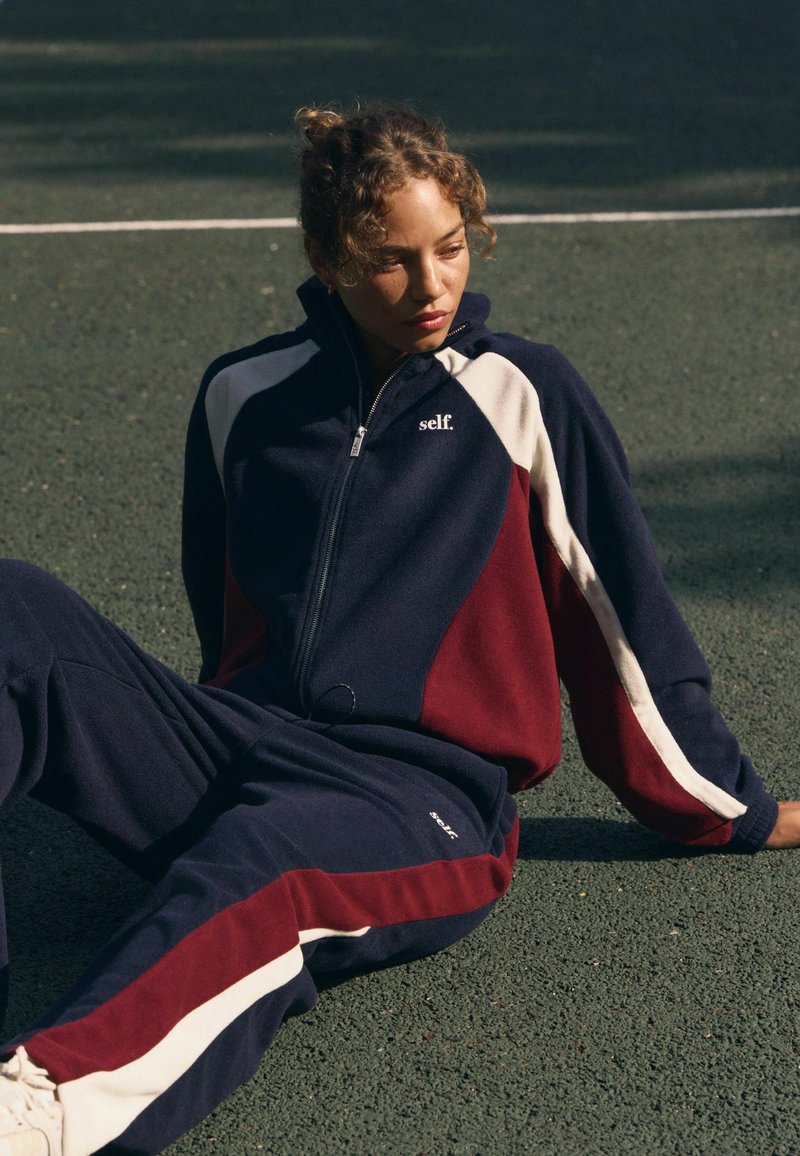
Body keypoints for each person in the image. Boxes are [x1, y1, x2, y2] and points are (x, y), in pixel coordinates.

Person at [0, 103, 798, 1156]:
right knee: (13, 605)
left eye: (450, 248)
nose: (431, 286)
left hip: (416, 799)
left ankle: (37, 1113)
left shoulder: (522, 393)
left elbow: (624, 631)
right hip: (239, 748)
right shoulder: (243, 393)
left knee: (268, 863)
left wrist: (732, 811)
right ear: (325, 259)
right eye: (390, 260)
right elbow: (223, 611)